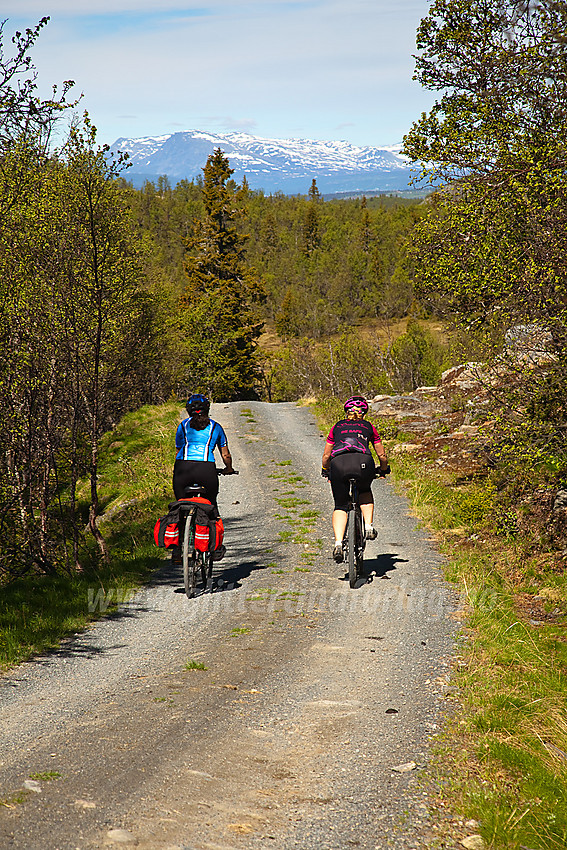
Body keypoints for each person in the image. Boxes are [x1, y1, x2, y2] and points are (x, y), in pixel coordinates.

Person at [321, 395, 389, 563]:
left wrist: (325, 470)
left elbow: (326, 455)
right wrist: (384, 468)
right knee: (365, 489)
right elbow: (381, 454)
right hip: (363, 462)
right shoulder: (368, 426)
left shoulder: (337, 426)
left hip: (339, 463)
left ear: (346, 412)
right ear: (364, 413)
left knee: (340, 505)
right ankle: (368, 527)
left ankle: (338, 544)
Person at [173, 393, 237, 505]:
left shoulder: (182, 426)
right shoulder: (216, 427)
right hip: (206, 469)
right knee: (211, 505)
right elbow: (225, 455)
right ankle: (212, 519)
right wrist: (228, 468)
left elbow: (178, 451)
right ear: (207, 408)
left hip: (182, 469)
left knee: (179, 504)